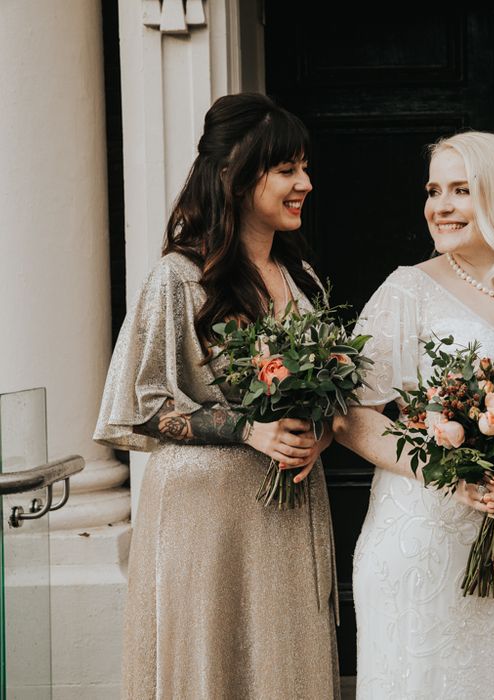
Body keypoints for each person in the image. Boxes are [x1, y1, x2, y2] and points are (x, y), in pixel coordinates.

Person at [93, 93, 339, 699]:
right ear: (234, 176)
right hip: (205, 513)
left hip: (288, 505)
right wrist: (246, 429)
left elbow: (330, 394)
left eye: (304, 167)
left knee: (285, 657)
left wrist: (319, 436)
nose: (304, 182)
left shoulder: (300, 278)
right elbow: (146, 404)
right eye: (286, 170)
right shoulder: (179, 277)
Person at [333, 131, 494, 699]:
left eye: (461, 190)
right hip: (424, 532)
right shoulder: (407, 290)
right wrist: (445, 474)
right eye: (433, 190)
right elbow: (350, 415)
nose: (439, 206)